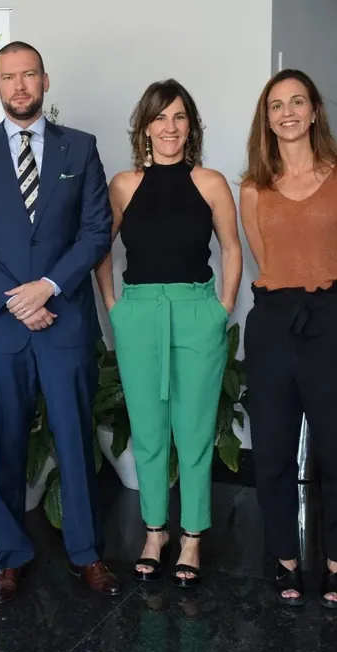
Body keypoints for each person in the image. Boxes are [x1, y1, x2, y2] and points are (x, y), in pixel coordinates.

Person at [0, 41, 119, 605]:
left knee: (74, 441)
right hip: (1, 327)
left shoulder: (82, 148)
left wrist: (47, 288)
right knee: (7, 443)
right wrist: (13, 297)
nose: (19, 86)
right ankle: (11, 557)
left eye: (28, 75)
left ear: (45, 80)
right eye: (8, 77)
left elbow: (96, 232)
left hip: (65, 317)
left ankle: (86, 553)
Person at [97, 79, 242, 587]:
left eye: (179, 117)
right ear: (145, 127)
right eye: (160, 118)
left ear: (191, 126)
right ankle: (155, 532)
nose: (170, 127)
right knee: (150, 431)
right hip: (139, 314)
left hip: (196, 310)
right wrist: (114, 306)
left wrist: (220, 309)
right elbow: (101, 248)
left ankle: (193, 536)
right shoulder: (124, 185)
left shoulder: (211, 182)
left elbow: (231, 248)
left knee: (195, 430)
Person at [239, 69, 337, 609]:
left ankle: (336, 563)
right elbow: (263, 257)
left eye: (298, 102)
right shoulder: (252, 187)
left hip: (333, 323)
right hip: (273, 324)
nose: (287, 112)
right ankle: (285, 559)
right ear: (266, 117)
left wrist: (326, 299)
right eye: (276, 105)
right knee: (270, 452)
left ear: (315, 111)